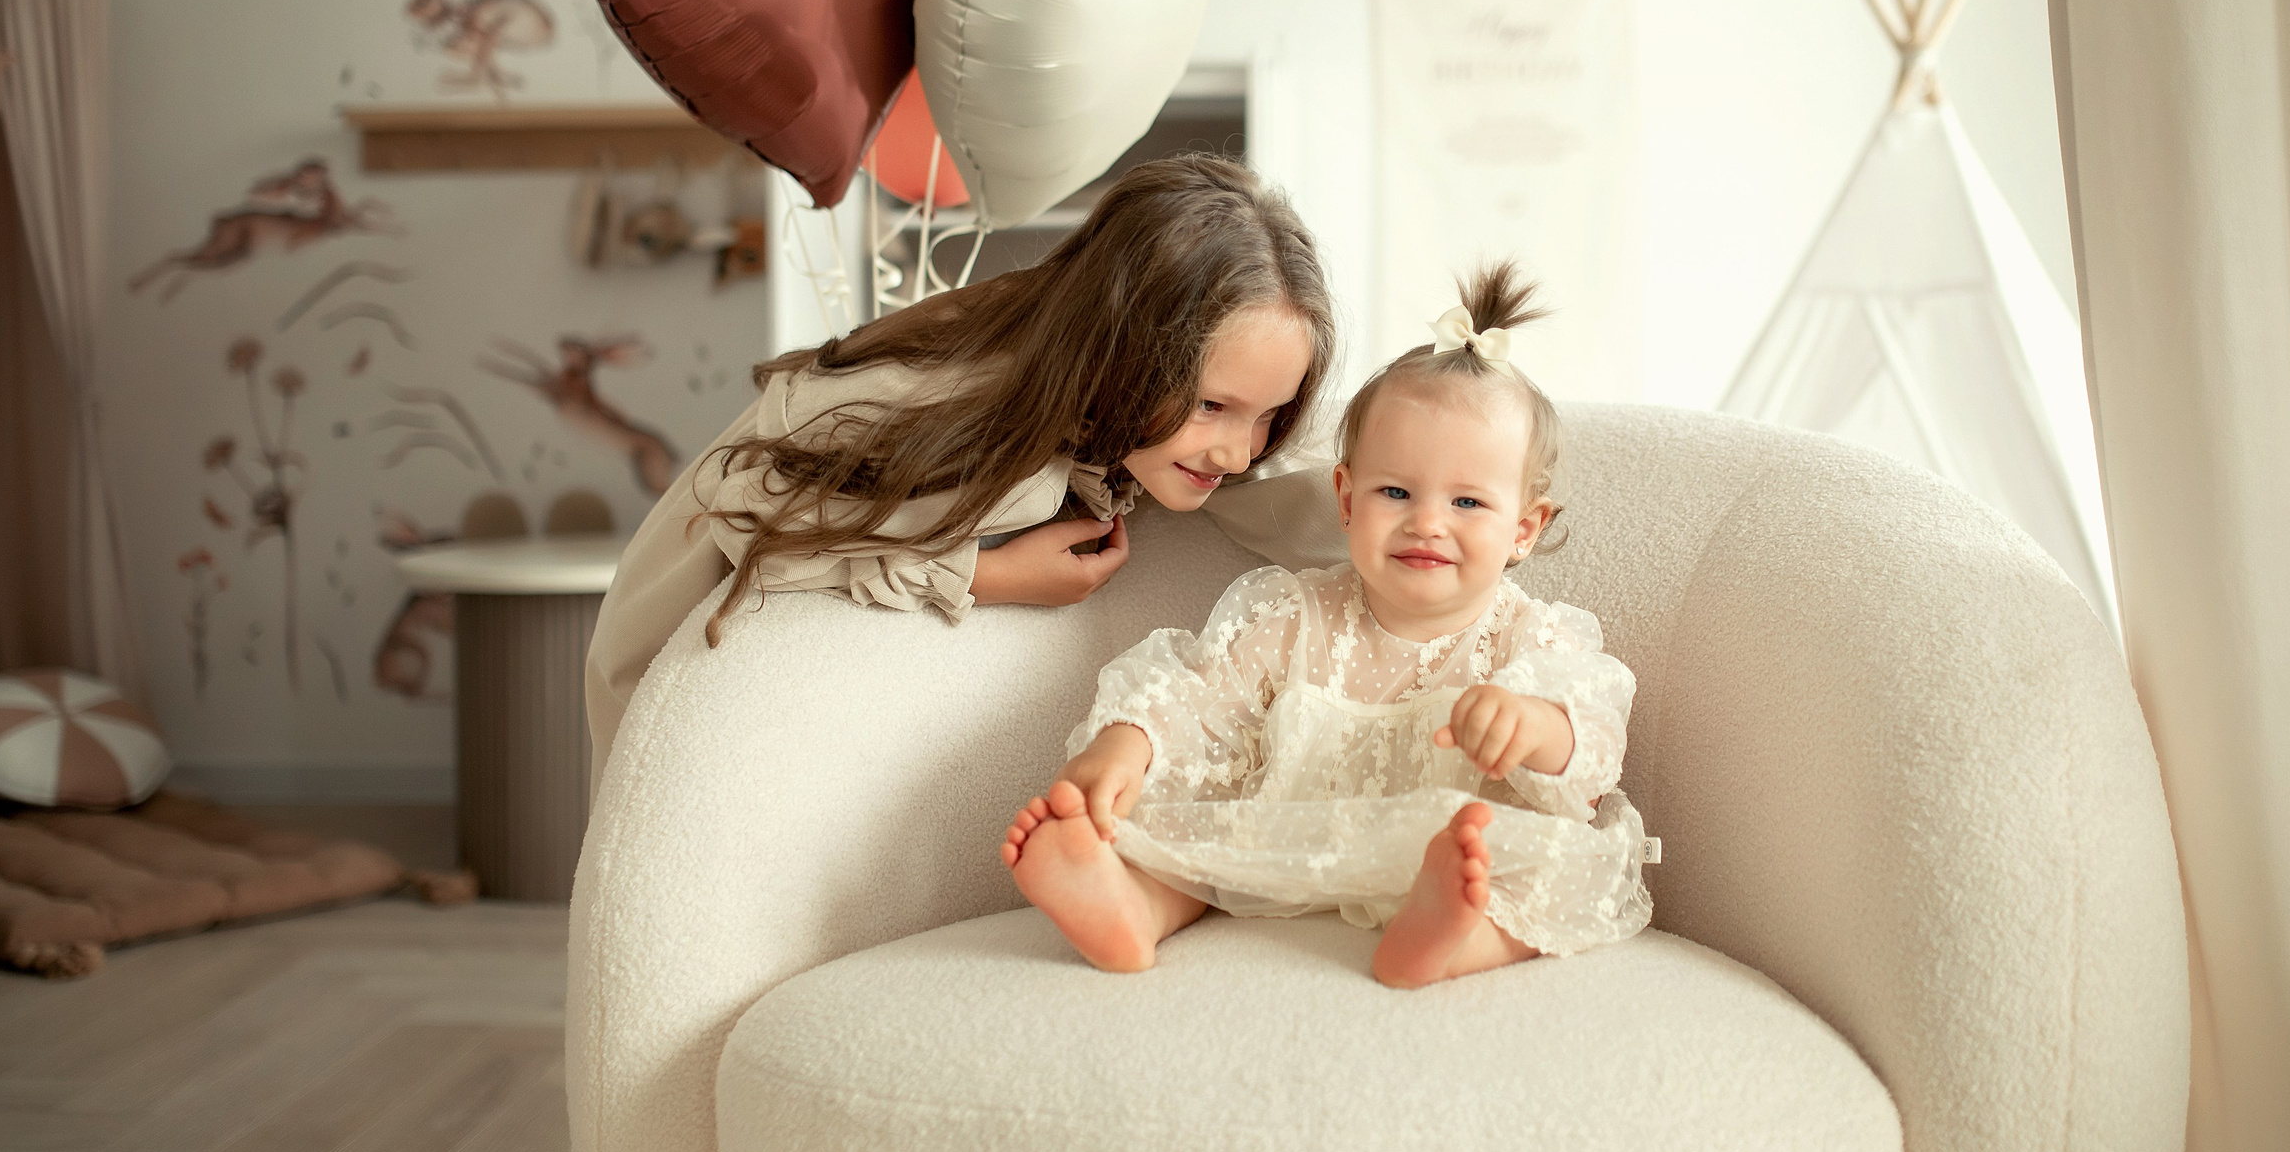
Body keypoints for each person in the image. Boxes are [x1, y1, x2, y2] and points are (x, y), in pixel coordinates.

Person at [584, 155, 1337, 787]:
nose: (1239, 451)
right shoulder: (972, 406)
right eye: (1213, 405)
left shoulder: (1128, 405)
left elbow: (1301, 479)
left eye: (1267, 413)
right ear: (1126, 344)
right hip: (659, 644)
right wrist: (981, 575)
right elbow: (748, 506)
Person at [1001, 264, 1656, 989]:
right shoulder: (1296, 615)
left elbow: (1595, 733)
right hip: (1292, 841)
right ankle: (1131, 904)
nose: (1427, 521)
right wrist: (1126, 745)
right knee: (1181, 832)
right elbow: (1198, 692)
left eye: (1468, 501)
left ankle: (1455, 931)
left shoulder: (1530, 638)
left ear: (1525, 528)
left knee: (1563, 861)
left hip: (1455, 836)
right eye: (1396, 491)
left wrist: (1536, 725)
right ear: (1346, 498)